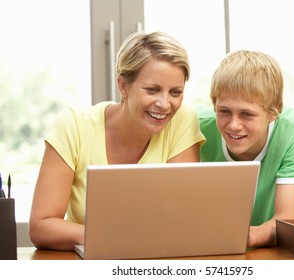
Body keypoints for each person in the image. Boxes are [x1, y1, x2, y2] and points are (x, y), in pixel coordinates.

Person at [29, 31, 206, 250]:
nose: (165, 103)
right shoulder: (74, 125)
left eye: (175, 92)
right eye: (152, 90)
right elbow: (41, 226)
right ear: (123, 86)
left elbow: (182, 216)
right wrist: (113, 237)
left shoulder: (182, 120)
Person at [198, 50, 294, 249]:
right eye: (224, 111)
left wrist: (239, 237)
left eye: (247, 114)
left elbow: (287, 219)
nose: (233, 125)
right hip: (209, 248)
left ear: (274, 111)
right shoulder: (197, 128)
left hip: (271, 251)